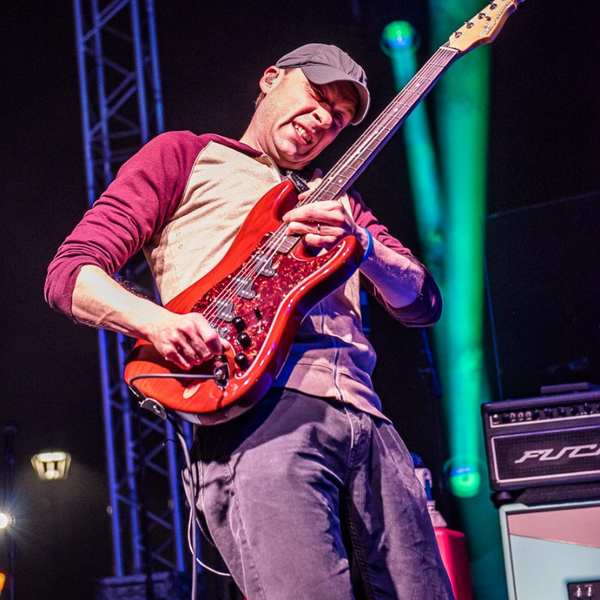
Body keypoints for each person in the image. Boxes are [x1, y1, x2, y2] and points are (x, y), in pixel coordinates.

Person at [45, 44, 453, 599]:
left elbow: (422, 303)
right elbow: (70, 274)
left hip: (371, 424)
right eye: (315, 97)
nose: (321, 122)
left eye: (336, 120)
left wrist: (365, 249)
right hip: (261, 417)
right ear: (270, 79)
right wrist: (159, 324)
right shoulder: (186, 155)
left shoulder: (343, 204)